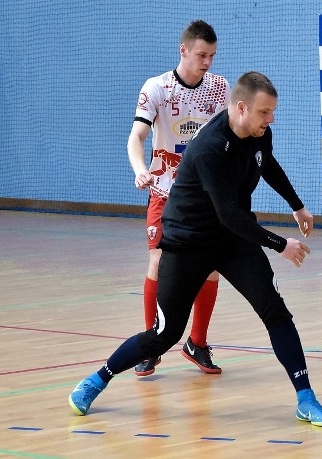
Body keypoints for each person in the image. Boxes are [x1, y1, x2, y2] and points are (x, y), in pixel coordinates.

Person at [69, 71, 322, 427]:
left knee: (275, 311)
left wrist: (297, 204)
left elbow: (265, 163)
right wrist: (279, 244)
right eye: (264, 112)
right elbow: (228, 215)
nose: (270, 120)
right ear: (241, 108)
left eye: (272, 112)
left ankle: (306, 397)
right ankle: (97, 379)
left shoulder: (259, 134)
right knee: (164, 334)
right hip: (188, 242)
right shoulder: (211, 147)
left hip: (232, 241)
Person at [127, 20, 230, 376]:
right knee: (157, 263)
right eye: (202, 54)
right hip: (165, 192)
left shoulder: (220, 88)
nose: (207, 62)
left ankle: (196, 343)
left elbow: (225, 141)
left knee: (211, 267)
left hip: (205, 197)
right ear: (183, 50)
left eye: (212, 56)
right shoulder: (157, 88)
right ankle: (150, 344)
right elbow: (136, 137)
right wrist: (141, 168)